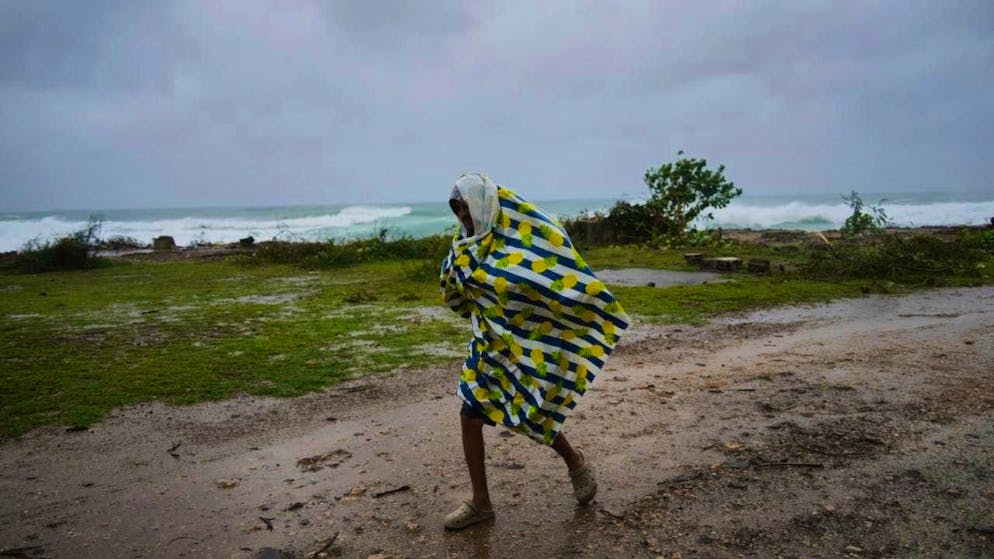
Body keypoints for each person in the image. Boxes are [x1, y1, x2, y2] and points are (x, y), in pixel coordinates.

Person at [439, 172, 630, 530]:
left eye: (466, 208)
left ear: (482, 204)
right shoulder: (464, 244)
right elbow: (455, 288)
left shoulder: (524, 239)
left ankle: (575, 463)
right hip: (487, 345)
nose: (463, 217)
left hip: (526, 343)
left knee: (533, 410)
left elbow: (551, 275)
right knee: (469, 415)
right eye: (457, 211)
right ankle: (481, 504)